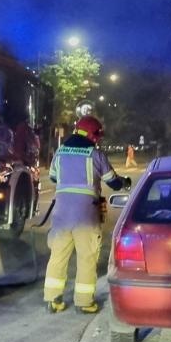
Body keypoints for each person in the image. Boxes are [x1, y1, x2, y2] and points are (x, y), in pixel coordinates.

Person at [43, 114, 128, 314]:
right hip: (85, 216)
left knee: (58, 256)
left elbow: (54, 178)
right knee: (87, 257)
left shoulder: (60, 152)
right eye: (97, 135)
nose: (98, 139)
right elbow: (113, 182)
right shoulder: (96, 155)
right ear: (92, 134)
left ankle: (52, 299)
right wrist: (124, 182)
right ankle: (84, 302)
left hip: (61, 215)